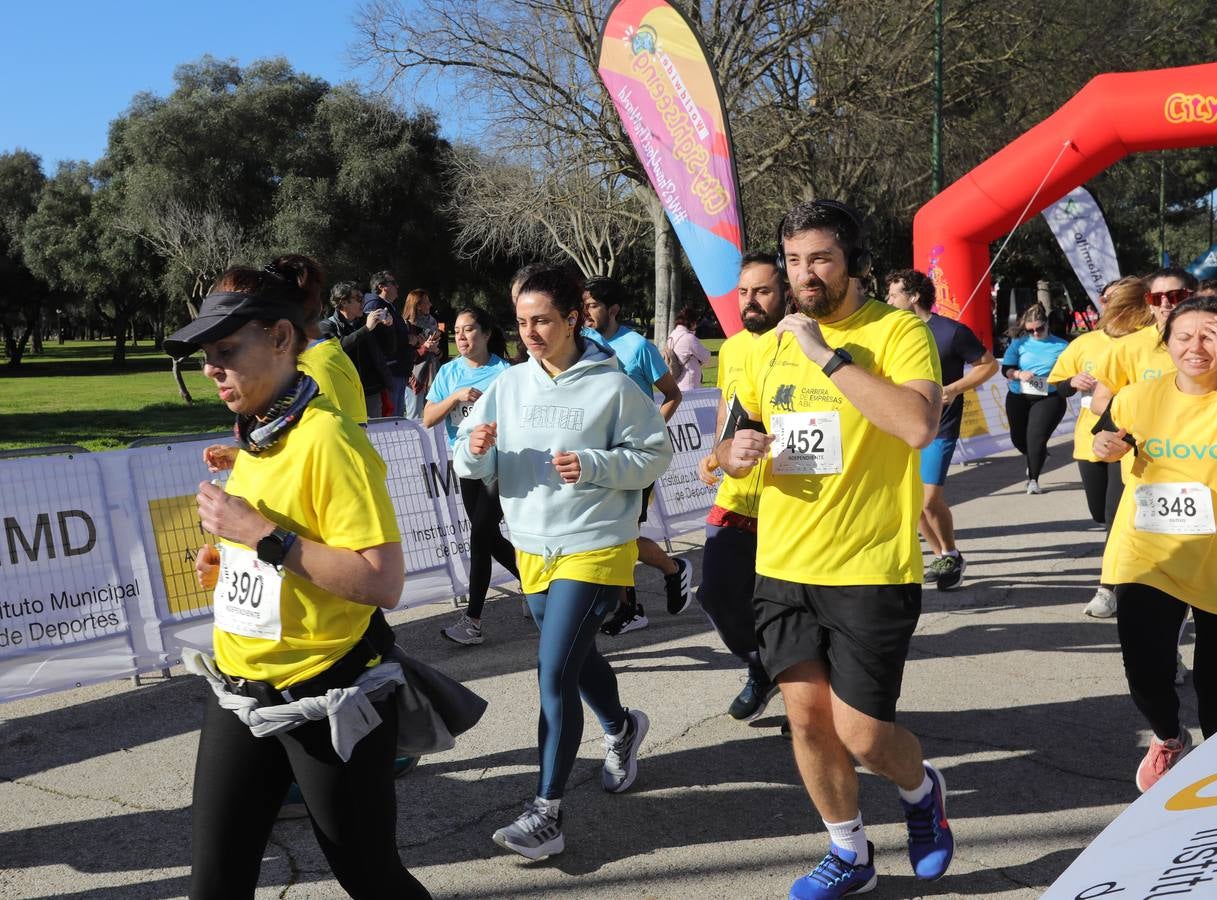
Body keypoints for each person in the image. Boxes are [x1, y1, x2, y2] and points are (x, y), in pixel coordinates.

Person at [164, 265, 430, 899]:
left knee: (369, 875)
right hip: (239, 690)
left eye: (227, 351)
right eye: (207, 357)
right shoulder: (256, 436)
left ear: (282, 338)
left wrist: (264, 538)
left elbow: (381, 581)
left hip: (327, 694)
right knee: (215, 887)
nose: (211, 369)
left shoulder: (327, 439)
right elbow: (276, 551)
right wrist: (229, 562)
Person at [719, 200, 952, 898]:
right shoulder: (767, 345)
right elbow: (727, 451)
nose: (803, 275)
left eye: (818, 258)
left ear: (850, 260)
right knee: (804, 719)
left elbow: (915, 425)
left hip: (869, 566)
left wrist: (828, 357)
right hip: (783, 562)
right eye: (792, 260)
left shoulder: (897, 332)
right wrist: (734, 453)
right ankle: (848, 853)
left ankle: (921, 792)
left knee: (862, 735)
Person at [453, 266, 671, 859]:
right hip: (531, 545)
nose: (530, 332)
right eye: (522, 321)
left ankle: (546, 813)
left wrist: (596, 465)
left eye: (543, 320)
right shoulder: (508, 383)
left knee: (552, 672)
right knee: (574, 658)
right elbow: (467, 460)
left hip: (595, 543)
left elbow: (655, 453)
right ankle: (623, 727)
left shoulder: (613, 385)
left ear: (574, 317)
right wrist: (473, 452)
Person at [1091, 296, 1217, 791]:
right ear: (1166, 344)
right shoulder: (1137, 398)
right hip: (1148, 553)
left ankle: (1210, 771)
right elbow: (1106, 437)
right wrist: (1106, 446)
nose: (1197, 347)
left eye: (1210, 334)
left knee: (1213, 684)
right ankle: (1167, 735)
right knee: (1144, 667)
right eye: (1184, 337)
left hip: (1212, 556)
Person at [695, 252, 788, 720]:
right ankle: (760, 668)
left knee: (788, 606)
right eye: (744, 292)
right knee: (715, 593)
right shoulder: (731, 347)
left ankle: (807, 700)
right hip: (736, 495)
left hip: (789, 499)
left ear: (786, 294)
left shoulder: (802, 344)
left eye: (763, 291)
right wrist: (715, 452)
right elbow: (726, 407)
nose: (750, 302)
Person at [582, 275, 690, 635]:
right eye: (584, 304)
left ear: (612, 309)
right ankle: (662, 578)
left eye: (593, 305)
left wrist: (649, 432)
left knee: (624, 535)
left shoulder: (637, 346)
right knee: (612, 534)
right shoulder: (585, 343)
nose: (586, 312)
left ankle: (641, 600)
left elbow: (673, 394)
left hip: (636, 458)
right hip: (600, 455)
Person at [886, 268, 997, 590]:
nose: (888, 300)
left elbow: (988, 365)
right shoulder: (891, 331)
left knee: (928, 501)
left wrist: (954, 388)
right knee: (912, 499)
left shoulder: (951, 332)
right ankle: (944, 555)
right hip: (900, 426)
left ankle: (951, 553)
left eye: (894, 294)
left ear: (914, 296)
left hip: (940, 427)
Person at [1047, 277, 1152, 618]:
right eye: (1104, 300)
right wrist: (1071, 383)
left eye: (1113, 301)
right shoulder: (1087, 342)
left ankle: (1110, 588)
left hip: (1133, 445)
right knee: (1099, 512)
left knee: (1115, 517)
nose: (1105, 306)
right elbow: (1058, 386)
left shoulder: (1154, 342)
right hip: (1092, 439)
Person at [424, 306, 518, 646]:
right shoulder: (449, 373)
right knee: (488, 536)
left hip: (501, 464)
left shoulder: (505, 373)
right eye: (457, 332)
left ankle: (473, 621)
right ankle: (539, 587)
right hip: (467, 464)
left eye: (468, 330)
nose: (461, 338)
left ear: (486, 333)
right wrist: (455, 397)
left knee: (480, 536)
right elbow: (428, 418)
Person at [1000, 304, 1069, 494]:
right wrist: (1018, 374)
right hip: (1019, 395)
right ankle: (1038, 456)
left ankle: (1033, 480)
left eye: (1040, 328)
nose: (1036, 333)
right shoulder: (1019, 343)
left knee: (1035, 438)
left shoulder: (1062, 346)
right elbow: (1006, 369)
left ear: (1047, 324)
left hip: (1049, 397)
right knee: (1018, 438)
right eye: (1031, 330)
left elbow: (1071, 371)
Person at [320, 280, 397, 420]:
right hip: (345, 394)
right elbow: (339, 348)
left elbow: (390, 349)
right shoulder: (327, 326)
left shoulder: (369, 322)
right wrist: (366, 329)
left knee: (376, 437)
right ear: (343, 302)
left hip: (371, 392)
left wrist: (389, 327)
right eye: (359, 299)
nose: (364, 303)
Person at [363, 271, 422, 418]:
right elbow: (376, 337)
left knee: (397, 416)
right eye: (393, 283)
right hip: (390, 370)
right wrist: (407, 339)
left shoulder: (389, 306)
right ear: (382, 286)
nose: (397, 286)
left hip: (398, 369)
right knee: (391, 418)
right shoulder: (375, 305)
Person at [402, 288, 447, 418]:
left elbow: (441, 354)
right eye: (426, 302)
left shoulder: (434, 324)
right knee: (415, 416)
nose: (430, 305)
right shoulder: (406, 326)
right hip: (415, 378)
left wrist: (436, 350)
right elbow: (405, 356)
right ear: (418, 305)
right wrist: (424, 348)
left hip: (434, 375)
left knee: (434, 414)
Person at [667, 305, 712, 391]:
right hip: (689, 383)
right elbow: (706, 357)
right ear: (691, 322)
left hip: (676, 382)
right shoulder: (689, 338)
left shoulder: (671, 336)